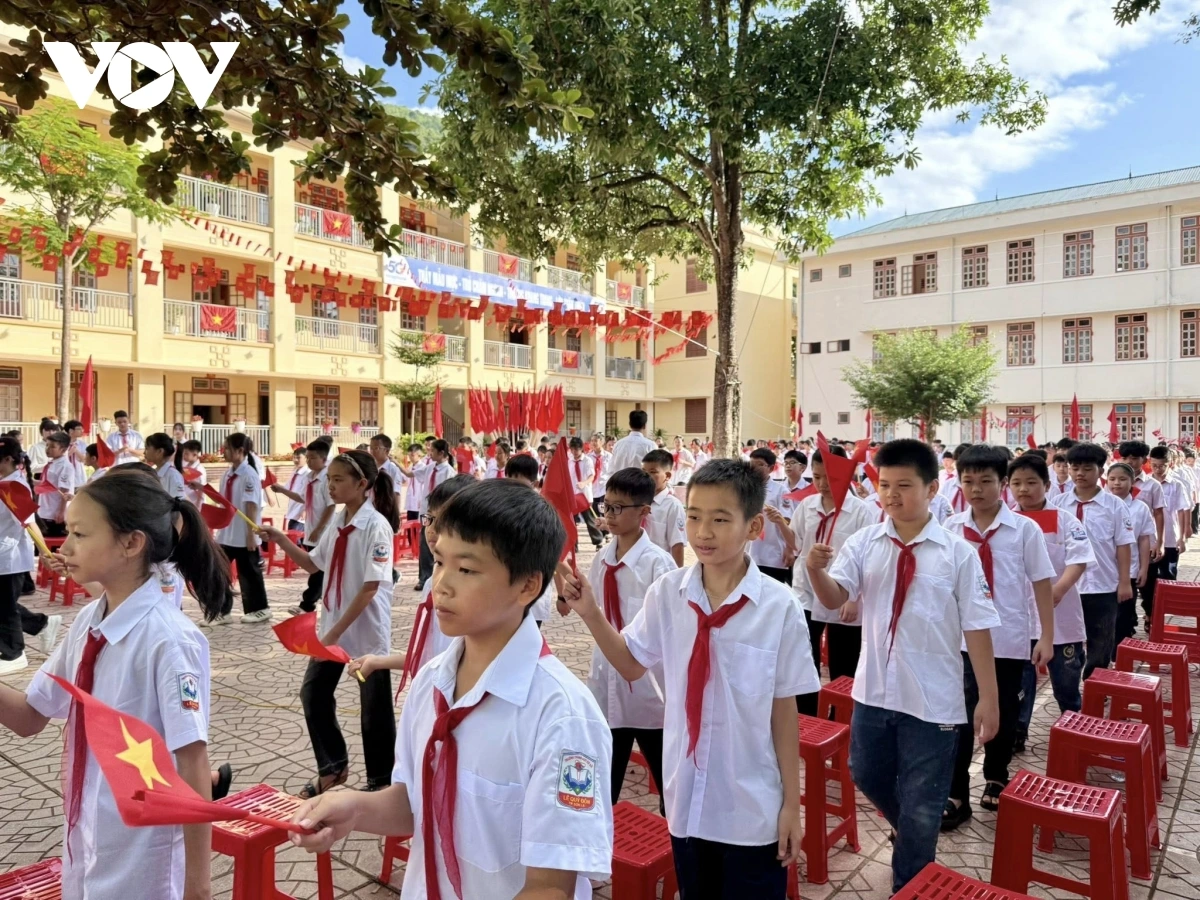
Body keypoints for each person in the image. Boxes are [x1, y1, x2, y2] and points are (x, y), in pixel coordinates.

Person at [289, 479, 614, 898]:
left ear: (528, 586)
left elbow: (551, 888)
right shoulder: (432, 682)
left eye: (467, 569)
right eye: (439, 561)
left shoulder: (562, 715)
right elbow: (415, 802)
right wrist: (353, 809)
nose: (441, 584)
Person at [561, 459, 814, 897]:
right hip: (686, 802)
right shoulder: (670, 594)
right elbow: (630, 663)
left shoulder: (779, 607)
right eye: (694, 517)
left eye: (720, 519)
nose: (703, 532)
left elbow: (783, 709)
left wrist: (792, 804)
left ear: (754, 527)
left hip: (750, 805)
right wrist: (589, 611)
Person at [0, 469, 229, 899]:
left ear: (131, 543)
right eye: (67, 532)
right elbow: (31, 717)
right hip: (88, 838)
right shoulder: (90, 622)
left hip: (144, 859)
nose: (64, 547)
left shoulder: (169, 640)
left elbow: (194, 763)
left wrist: (198, 885)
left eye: (80, 534)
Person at [806, 439, 1001, 893]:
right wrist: (817, 573)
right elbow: (837, 598)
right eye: (884, 485)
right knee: (866, 773)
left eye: (904, 486)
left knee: (922, 802)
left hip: (934, 702)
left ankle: (909, 882)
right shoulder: (865, 542)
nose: (891, 495)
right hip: (874, 691)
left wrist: (988, 699)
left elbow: (977, 629)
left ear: (932, 488)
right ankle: (916, 829)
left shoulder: (957, 553)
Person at [261, 450, 399, 797]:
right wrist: (281, 541)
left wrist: (333, 634)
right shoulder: (339, 520)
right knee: (314, 694)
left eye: (338, 480)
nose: (331, 486)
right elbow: (312, 565)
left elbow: (370, 587)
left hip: (364, 633)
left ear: (362, 484)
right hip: (334, 628)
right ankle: (333, 767)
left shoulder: (376, 526)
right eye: (329, 480)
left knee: (373, 708)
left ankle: (382, 781)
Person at [941, 445, 1055, 830]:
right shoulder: (951, 529)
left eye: (986, 481)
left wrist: (1046, 636)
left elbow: (1041, 583)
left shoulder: (1024, 529)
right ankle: (956, 792)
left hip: (1007, 639)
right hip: (958, 641)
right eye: (968, 481)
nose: (976, 489)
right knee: (956, 717)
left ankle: (996, 773)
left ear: (1003, 484)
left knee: (1002, 712)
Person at [584, 467, 675, 808]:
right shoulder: (601, 560)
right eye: (606, 506)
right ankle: (603, 852)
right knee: (603, 784)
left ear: (644, 512)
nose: (609, 514)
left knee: (669, 784)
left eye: (619, 507)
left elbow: (665, 631)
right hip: (606, 685)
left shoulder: (658, 566)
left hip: (650, 691)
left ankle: (675, 850)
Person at [350, 475, 477, 692]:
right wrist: (378, 662)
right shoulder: (431, 584)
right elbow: (430, 654)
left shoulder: (477, 589)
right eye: (430, 518)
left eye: (443, 521)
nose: (431, 530)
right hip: (432, 695)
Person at [1010, 454, 1095, 753]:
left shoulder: (1065, 520)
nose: (1024, 489)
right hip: (1019, 620)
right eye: (1016, 483)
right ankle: (1018, 731)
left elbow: (1080, 559)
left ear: (1046, 485)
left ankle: (1073, 727)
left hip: (1062, 619)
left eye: (1031, 482)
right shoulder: (1007, 520)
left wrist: (1057, 590)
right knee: (1020, 683)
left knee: (1066, 680)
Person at [790, 444, 876, 715]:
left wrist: (854, 599)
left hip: (844, 596)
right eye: (816, 477)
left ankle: (839, 716)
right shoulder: (806, 505)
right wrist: (781, 526)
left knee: (843, 661)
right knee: (805, 657)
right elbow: (796, 543)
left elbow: (867, 559)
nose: (823, 484)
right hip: (806, 591)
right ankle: (807, 713)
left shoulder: (861, 511)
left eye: (830, 478)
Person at [1050, 442, 1134, 677]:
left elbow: (1123, 545)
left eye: (1087, 468)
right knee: (1068, 641)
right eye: (1075, 468)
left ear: (1100, 470)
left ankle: (1095, 686)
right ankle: (1070, 691)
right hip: (1067, 586)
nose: (1079, 474)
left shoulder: (1114, 505)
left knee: (1101, 640)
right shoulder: (1058, 504)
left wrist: (1125, 581)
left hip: (1102, 584)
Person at [0, 437, 62, 675]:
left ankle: (14, 653)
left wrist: (46, 554)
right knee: (4, 604)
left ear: (8, 460)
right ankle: (42, 624)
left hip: (10, 556)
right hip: (4, 553)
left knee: (4, 607)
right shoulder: (5, 482)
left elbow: (29, 523)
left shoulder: (14, 486)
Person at [209, 432, 271, 624]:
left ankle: (259, 609)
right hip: (227, 534)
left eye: (227, 448)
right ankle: (222, 611)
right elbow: (225, 501)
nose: (224, 451)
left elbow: (250, 506)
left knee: (250, 574)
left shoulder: (249, 474)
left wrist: (251, 535)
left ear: (240, 451)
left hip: (244, 536)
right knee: (219, 572)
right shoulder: (228, 473)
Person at [272, 441, 333, 617]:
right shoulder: (309, 477)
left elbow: (330, 507)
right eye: (308, 458)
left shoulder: (327, 478)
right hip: (312, 529)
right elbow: (302, 498)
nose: (309, 461)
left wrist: (318, 529)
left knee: (318, 568)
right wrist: (283, 491)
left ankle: (307, 604)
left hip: (324, 531)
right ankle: (315, 601)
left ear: (323, 458)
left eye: (313, 458)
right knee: (318, 568)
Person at [503, 455, 562, 626]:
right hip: (504, 588)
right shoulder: (499, 508)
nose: (513, 488)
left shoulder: (544, 513)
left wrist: (562, 595)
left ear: (534, 484)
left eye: (519, 483)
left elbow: (555, 557)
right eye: (510, 480)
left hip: (532, 588)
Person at [1105, 463, 1154, 645]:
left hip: (1129, 571)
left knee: (1124, 615)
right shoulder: (1101, 505)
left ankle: (1120, 654)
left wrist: (1144, 568)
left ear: (1132, 481)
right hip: (1103, 570)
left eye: (1122, 479)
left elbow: (1143, 539)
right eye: (1112, 479)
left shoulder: (1140, 508)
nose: (1116, 483)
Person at [1148, 444, 1192, 617]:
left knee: (1169, 576)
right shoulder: (1146, 485)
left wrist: (1182, 538)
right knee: (1150, 579)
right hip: (1151, 540)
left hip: (1171, 539)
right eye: (1155, 466)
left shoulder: (1176, 485)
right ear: (1150, 464)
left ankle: (1163, 611)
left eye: (1162, 465)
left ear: (1170, 463)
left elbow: (1182, 510)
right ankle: (1150, 613)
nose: (1158, 469)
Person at [747, 447, 794, 584]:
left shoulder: (780, 491)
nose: (754, 468)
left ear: (771, 468)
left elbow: (788, 521)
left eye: (760, 464)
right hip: (749, 552)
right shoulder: (745, 489)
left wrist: (789, 549)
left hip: (772, 555)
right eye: (752, 464)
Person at [641, 449, 687, 568]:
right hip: (638, 566)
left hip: (660, 568)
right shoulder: (638, 499)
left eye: (652, 472)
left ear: (667, 476)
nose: (646, 476)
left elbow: (677, 544)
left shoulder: (673, 506)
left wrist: (676, 577)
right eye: (644, 471)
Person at [36, 431, 76, 538]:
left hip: (54, 513)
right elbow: (46, 484)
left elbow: (64, 490)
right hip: (44, 510)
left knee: (52, 544)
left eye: (52, 447)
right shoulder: (51, 463)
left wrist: (61, 511)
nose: (47, 449)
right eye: (47, 445)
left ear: (63, 449)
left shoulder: (65, 466)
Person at [568, 436, 604, 549]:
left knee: (590, 520)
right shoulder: (569, 461)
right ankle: (574, 545)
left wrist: (584, 483)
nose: (574, 452)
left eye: (576, 449)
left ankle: (598, 541)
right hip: (572, 495)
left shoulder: (587, 460)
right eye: (572, 449)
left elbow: (592, 476)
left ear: (581, 449)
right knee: (572, 522)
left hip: (584, 495)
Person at [144, 432, 188, 500]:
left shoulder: (173, 475)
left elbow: (179, 503)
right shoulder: (154, 472)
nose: (144, 452)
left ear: (160, 451)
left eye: (147, 448)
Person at [280, 446, 308, 530]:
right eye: (294, 457)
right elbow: (287, 488)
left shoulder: (308, 474)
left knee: (296, 539)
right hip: (293, 511)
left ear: (306, 458)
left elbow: (310, 495)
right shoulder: (295, 472)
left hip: (301, 514)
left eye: (298, 457)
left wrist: (306, 510)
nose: (295, 460)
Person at [179, 440, 207, 507]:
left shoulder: (200, 470)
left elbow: (202, 491)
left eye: (186, 453)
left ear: (195, 454)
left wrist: (197, 507)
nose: (183, 455)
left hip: (195, 504)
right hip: (185, 502)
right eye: (183, 453)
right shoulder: (185, 467)